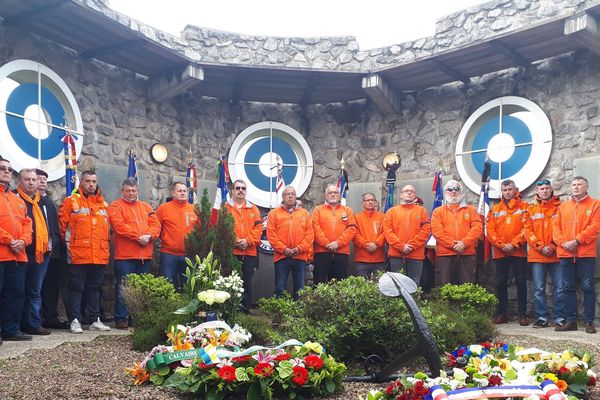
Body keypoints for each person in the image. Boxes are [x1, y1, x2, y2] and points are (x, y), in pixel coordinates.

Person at [59, 170, 111, 333]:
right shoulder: (71, 201)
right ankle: (75, 320)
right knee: (76, 288)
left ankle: (94, 319)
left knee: (95, 288)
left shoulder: (104, 204)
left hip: (99, 255)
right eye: (87, 181)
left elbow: (107, 230)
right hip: (78, 254)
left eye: (93, 181)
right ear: (81, 182)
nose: (91, 184)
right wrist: (71, 247)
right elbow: (63, 228)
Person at [108, 178, 160, 329]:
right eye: (128, 191)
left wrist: (149, 236)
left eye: (134, 191)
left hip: (145, 256)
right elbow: (119, 226)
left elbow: (156, 225)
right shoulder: (116, 205)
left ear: (137, 191)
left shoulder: (146, 206)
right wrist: (138, 237)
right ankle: (121, 318)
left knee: (141, 289)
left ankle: (137, 318)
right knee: (124, 288)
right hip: (125, 256)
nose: (131, 193)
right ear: (122, 191)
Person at [553, 176, 600, 333]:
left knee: (587, 287)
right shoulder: (563, 207)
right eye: (573, 184)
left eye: (580, 184)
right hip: (566, 254)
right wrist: (564, 243)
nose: (576, 187)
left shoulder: (595, 205)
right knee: (567, 288)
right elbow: (556, 229)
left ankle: (589, 322)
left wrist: (576, 241)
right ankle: (571, 321)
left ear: (586, 187)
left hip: (585, 254)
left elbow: (595, 227)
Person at [14, 168, 51, 335]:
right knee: (17, 290)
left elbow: (51, 226)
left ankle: (33, 323)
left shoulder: (43, 201)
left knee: (35, 291)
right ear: (19, 182)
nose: (30, 182)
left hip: (40, 253)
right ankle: (15, 325)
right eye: (27, 179)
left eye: (33, 180)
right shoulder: (14, 198)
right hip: (19, 252)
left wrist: (51, 243)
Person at [487, 179, 529, 326]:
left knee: (521, 282)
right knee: (500, 282)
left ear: (515, 189)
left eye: (510, 189)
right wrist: (501, 245)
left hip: (519, 251)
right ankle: (502, 313)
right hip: (500, 252)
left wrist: (514, 244)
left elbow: (528, 228)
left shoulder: (525, 207)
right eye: (505, 190)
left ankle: (522, 314)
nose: (507, 192)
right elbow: (490, 230)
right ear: (502, 192)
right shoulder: (495, 209)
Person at [0, 158, 33, 342]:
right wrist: (10, 240)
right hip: (2, 253)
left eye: (9, 169)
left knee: (16, 293)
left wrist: (23, 241)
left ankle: (11, 330)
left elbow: (28, 224)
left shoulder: (16, 199)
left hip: (18, 256)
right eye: (2, 168)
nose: (7, 171)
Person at [524, 178, 561, 329]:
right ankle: (542, 317)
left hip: (556, 254)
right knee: (538, 288)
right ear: (537, 191)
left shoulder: (560, 208)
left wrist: (552, 245)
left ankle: (560, 317)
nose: (544, 191)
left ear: (551, 189)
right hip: (537, 255)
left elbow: (562, 229)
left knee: (559, 287)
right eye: (541, 189)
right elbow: (527, 231)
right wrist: (540, 246)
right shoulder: (531, 209)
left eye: (547, 188)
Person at [431, 180, 483, 285]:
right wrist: (452, 244)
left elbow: (477, 228)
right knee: (446, 285)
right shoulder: (438, 212)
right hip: (445, 254)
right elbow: (437, 231)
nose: (453, 191)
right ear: (445, 192)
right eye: (450, 189)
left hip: (467, 253)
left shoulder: (471, 210)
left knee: (467, 285)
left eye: (457, 189)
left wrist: (464, 243)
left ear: (461, 192)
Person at [267, 186, 313, 299]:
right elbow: (271, 235)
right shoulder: (274, 213)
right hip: (281, 256)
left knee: (300, 288)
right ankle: (280, 313)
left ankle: (297, 314)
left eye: (293, 193)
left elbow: (309, 235)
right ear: (283, 197)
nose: (290, 196)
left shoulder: (305, 214)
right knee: (280, 287)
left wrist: (299, 248)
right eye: (287, 194)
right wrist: (284, 249)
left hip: (300, 257)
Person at [224, 179, 262, 313]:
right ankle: (230, 311)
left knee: (247, 283)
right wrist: (235, 241)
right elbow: (222, 228)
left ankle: (245, 311)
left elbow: (258, 229)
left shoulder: (254, 209)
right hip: (231, 252)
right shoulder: (225, 207)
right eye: (238, 188)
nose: (241, 190)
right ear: (232, 191)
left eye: (243, 188)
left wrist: (247, 241)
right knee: (230, 282)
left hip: (249, 252)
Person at [38, 169, 69, 329]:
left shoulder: (49, 201)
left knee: (51, 286)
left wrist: (55, 243)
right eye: (39, 179)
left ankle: (51, 317)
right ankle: (34, 319)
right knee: (35, 287)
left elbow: (54, 227)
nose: (42, 181)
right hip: (36, 251)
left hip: (53, 252)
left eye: (44, 179)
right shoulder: (28, 201)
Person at [383, 185, 431, 285]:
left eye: (412, 191)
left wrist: (412, 246)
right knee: (397, 284)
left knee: (414, 284)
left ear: (415, 195)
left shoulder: (422, 211)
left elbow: (426, 230)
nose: (409, 193)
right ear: (401, 195)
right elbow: (388, 231)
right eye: (406, 191)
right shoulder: (391, 212)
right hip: (396, 255)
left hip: (416, 255)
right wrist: (401, 246)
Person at [156, 182, 198, 290]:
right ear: (173, 193)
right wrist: (167, 240)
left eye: (184, 191)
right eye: (180, 191)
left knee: (189, 287)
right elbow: (156, 228)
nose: (183, 193)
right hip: (169, 254)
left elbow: (200, 230)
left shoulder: (194, 209)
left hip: (189, 254)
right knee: (167, 286)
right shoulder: (163, 209)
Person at [311, 184, 357, 283]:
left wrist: (338, 243)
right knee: (319, 283)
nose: (333, 194)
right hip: (322, 253)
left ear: (339, 195)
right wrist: (326, 244)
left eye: (335, 192)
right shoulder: (317, 210)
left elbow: (352, 229)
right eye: (330, 192)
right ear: (325, 196)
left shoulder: (348, 211)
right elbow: (315, 228)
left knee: (339, 285)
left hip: (341, 253)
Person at [353, 192, 386, 278]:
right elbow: (354, 234)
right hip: (361, 259)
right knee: (362, 287)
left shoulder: (382, 217)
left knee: (379, 286)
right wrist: (366, 245)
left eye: (372, 200)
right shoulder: (356, 217)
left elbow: (386, 233)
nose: (370, 202)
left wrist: (376, 244)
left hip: (378, 258)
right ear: (362, 203)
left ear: (375, 202)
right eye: (367, 200)